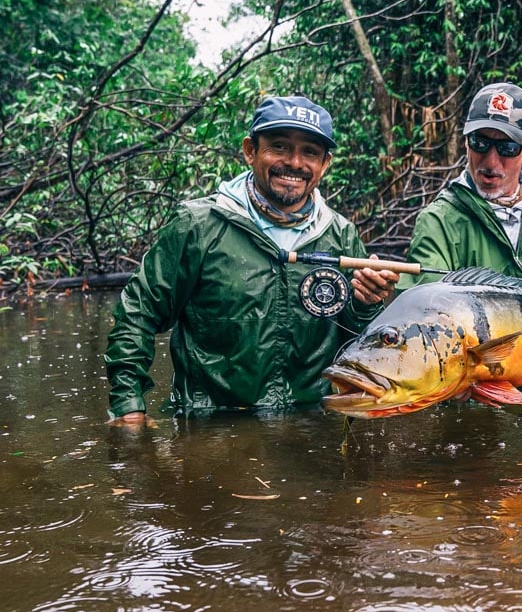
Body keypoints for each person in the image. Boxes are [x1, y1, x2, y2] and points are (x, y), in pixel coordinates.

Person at [105, 95, 398, 423]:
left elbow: (357, 347)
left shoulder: (341, 235)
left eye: (310, 153)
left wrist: (366, 304)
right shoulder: (198, 225)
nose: (295, 163)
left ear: (325, 164)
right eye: (280, 147)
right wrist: (128, 404)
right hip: (209, 424)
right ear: (250, 150)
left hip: (311, 424)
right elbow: (138, 313)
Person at [398, 83, 522, 295]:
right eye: (480, 143)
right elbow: (427, 304)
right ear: (466, 141)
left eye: (508, 148)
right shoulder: (438, 221)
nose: (491, 162)